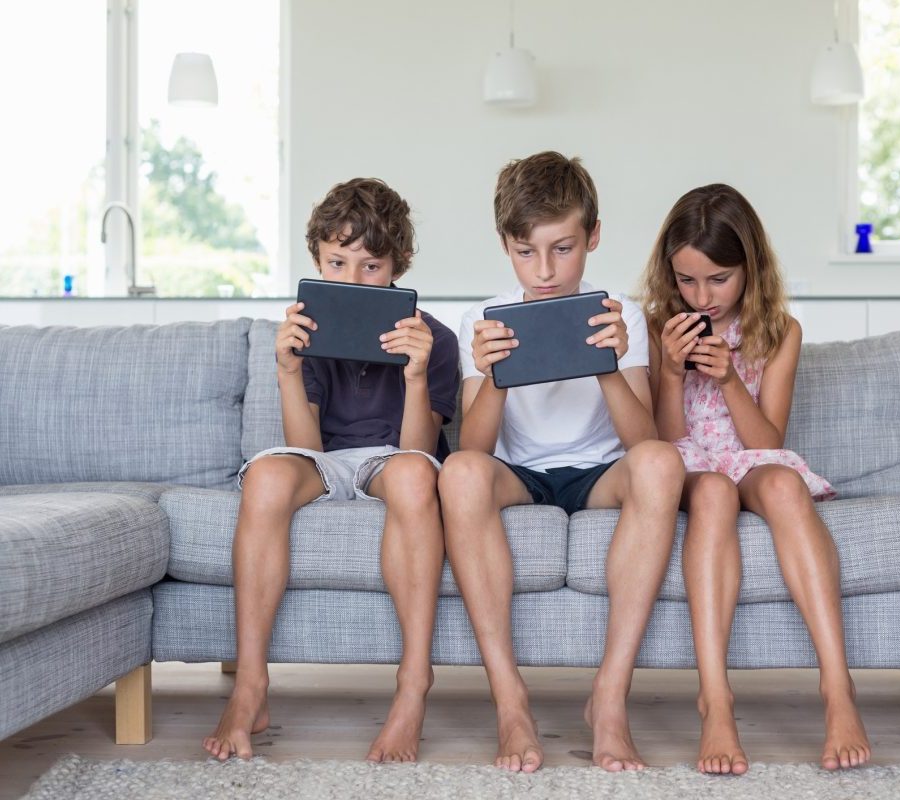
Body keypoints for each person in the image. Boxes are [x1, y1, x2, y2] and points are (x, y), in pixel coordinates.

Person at [439, 151, 685, 773]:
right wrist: (493, 375)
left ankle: (609, 698)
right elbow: (474, 451)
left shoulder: (621, 313)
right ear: (505, 245)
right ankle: (510, 701)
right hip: (519, 474)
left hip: (599, 471)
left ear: (593, 237)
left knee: (660, 464)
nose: (544, 271)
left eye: (563, 248)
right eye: (526, 252)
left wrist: (605, 365)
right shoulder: (483, 318)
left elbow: (643, 441)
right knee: (459, 472)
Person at [203, 178, 460, 763]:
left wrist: (416, 374)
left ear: (399, 266)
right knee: (267, 476)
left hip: (394, 458)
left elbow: (416, 451)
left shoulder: (436, 341)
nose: (350, 281)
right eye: (336, 263)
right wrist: (289, 371)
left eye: (370, 267)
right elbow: (305, 446)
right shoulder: (311, 333)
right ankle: (250, 686)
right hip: (329, 459)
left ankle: (412, 687)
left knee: (417, 477)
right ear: (317, 259)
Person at [639, 183, 871, 774]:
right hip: (692, 463)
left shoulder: (779, 331)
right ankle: (715, 700)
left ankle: (838, 689)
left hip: (748, 456)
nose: (702, 296)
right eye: (687, 280)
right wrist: (670, 371)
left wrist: (728, 380)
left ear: (750, 268)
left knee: (785, 485)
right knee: (713, 492)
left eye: (718, 279)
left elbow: (768, 443)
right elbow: (663, 441)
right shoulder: (657, 324)